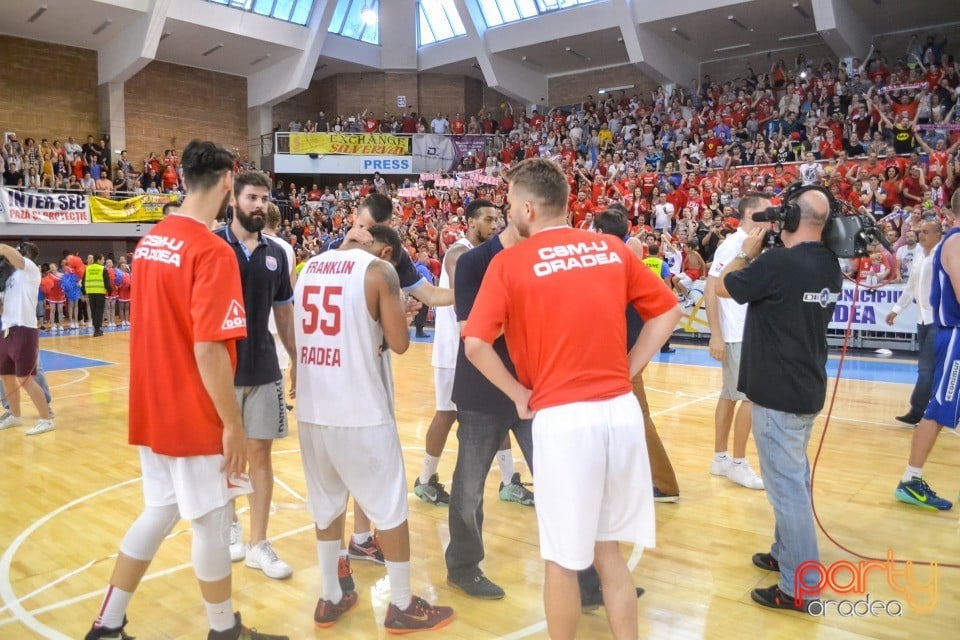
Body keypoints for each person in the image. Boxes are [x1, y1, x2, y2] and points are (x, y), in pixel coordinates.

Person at [463, 158, 681, 639]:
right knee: (609, 554)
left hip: (563, 417)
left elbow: (475, 343)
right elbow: (668, 311)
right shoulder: (611, 249)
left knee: (562, 560)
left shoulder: (508, 262)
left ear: (526, 208)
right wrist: (629, 367)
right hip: (620, 414)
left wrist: (519, 395)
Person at [83, 140, 287, 640]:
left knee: (160, 511)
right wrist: (233, 426)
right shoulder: (210, 250)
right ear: (226, 182)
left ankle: (106, 624)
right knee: (213, 523)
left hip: (153, 406)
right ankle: (224, 630)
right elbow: (210, 350)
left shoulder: (151, 240)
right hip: (193, 411)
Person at [294, 223, 455, 632]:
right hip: (359, 410)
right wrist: (397, 309)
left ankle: (331, 594)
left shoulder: (308, 267)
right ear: (383, 253)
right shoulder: (378, 272)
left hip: (313, 411)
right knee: (389, 507)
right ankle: (401, 604)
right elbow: (399, 343)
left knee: (327, 506)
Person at [716, 184, 842, 611]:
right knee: (794, 479)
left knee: (787, 492)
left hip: (776, 393)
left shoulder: (777, 264)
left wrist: (749, 251)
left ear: (789, 218)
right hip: (805, 386)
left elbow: (725, 286)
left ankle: (800, 588)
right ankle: (784, 553)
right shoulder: (828, 263)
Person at [445, 201, 537, 600]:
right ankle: (463, 567)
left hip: (536, 388)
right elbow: (471, 331)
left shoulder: (541, 256)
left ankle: (584, 576)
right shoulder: (474, 262)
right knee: (468, 487)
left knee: (560, 482)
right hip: (483, 388)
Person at [415, 199, 533, 508]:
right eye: (487, 219)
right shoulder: (459, 253)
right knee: (447, 413)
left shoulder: (487, 255)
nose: (494, 225)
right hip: (454, 350)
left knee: (497, 410)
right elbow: (463, 303)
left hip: (478, 349)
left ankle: (508, 481)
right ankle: (426, 479)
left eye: (496, 219)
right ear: (470, 222)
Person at [214, 171, 297, 579]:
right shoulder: (212, 245)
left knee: (261, 454)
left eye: (264, 198)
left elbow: (283, 311)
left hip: (263, 364)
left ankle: (258, 542)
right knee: (227, 453)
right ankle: (230, 526)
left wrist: (296, 356)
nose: (259, 205)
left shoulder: (276, 253)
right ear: (234, 199)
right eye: (252, 197)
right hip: (221, 367)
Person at [893, 191, 960, 512]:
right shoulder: (956, 242)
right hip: (953, 336)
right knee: (936, 411)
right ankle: (910, 479)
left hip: (947, 331)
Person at [703, 195, 770, 491]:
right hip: (737, 332)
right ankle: (738, 463)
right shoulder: (734, 245)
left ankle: (720, 458)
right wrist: (716, 333)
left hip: (745, 331)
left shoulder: (756, 245)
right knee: (750, 397)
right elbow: (710, 288)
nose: (771, 216)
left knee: (730, 395)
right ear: (749, 214)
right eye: (764, 212)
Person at [887, 220, 942, 426]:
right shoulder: (919, 256)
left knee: (927, 368)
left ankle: (918, 410)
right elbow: (910, 288)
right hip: (922, 320)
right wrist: (896, 310)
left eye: (926, 232)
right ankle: (929, 409)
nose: (921, 236)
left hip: (939, 320)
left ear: (938, 235)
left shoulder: (942, 256)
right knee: (930, 368)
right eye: (920, 232)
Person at [0, 242, 55, 435]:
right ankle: (15, 416)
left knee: (25, 377)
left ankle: (46, 419)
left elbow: (6, 250)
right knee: (6, 375)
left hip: (25, 328)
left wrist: (3, 249)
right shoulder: (10, 277)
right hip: (7, 328)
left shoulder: (30, 269)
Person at [84, 254, 110, 337]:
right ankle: (97, 329)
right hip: (100, 292)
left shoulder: (87, 268)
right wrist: (109, 291)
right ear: (98, 260)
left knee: (93, 311)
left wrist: (84, 292)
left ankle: (96, 328)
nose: (103, 261)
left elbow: (83, 281)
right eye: (103, 259)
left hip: (90, 293)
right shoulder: (102, 269)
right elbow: (107, 282)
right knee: (99, 311)